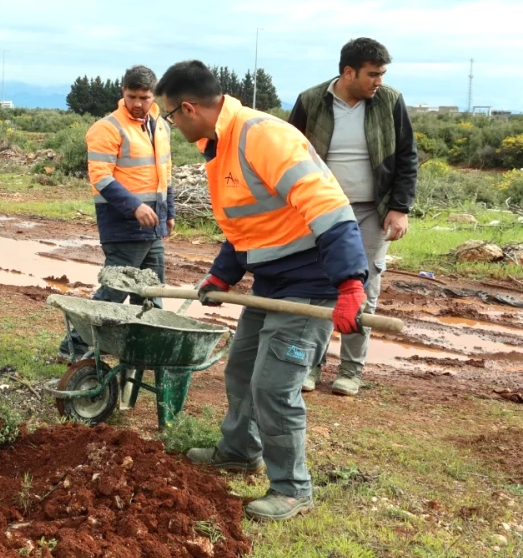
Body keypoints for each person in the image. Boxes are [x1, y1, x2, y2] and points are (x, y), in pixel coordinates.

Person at [155, 60, 368, 522]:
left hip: (311, 284)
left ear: (188, 108)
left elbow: (329, 208)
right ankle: (238, 450)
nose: (171, 124)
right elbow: (244, 225)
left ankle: (293, 489)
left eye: (170, 116)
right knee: (242, 370)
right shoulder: (221, 146)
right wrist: (221, 276)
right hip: (271, 282)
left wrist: (351, 283)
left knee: (274, 388)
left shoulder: (262, 136)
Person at [289, 38, 417, 396]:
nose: (379, 81)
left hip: (371, 211)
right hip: (320, 210)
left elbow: (406, 157)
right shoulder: (310, 101)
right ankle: (309, 366)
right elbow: (287, 155)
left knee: (363, 288)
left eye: (382, 74)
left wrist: (400, 207)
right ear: (349, 72)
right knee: (316, 286)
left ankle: (351, 370)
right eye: (373, 74)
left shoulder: (389, 101)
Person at [59, 65, 175, 361]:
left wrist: (168, 211)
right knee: (114, 291)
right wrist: (135, 206)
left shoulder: (161, 126)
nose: (138, 103)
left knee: (150, 292)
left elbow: (166, 172)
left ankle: (141, 351)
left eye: (145, 97)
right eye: (132, 96)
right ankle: (74, 346)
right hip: (122, 226)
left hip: (153, 225)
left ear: (153, 96)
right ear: (122, 92)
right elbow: (100, 177)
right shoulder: (107, 128)